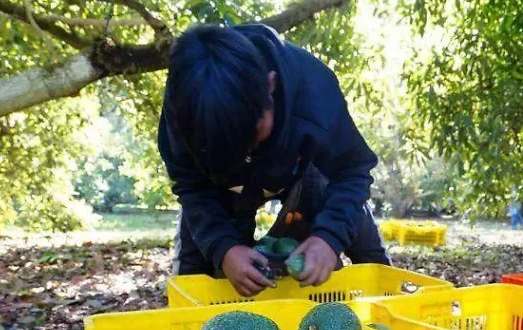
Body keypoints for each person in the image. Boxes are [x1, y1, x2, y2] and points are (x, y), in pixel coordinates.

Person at [158, 25, 390, 297]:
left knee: (365, 247)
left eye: (252, 136)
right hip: (219, 186)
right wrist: (224, 249)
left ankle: (390, 309)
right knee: (195, 274)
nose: (247, 151)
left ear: (270, 86)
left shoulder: (315, 93)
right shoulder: (184, 111)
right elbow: (192, 187)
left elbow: (353, 171)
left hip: (303, 167)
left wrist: (329, 239)